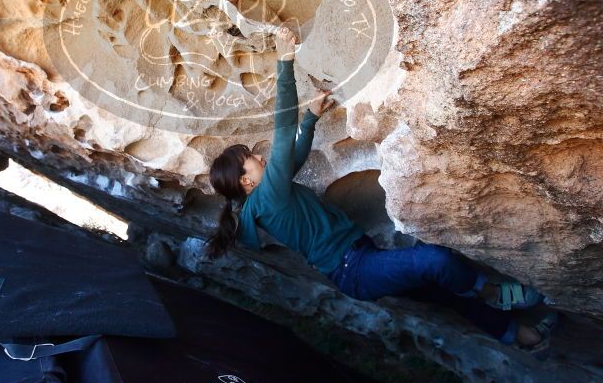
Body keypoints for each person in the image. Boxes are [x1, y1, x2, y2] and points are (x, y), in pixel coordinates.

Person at [207, 27, 557, 357]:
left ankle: (522, 338)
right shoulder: (268, 198)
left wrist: (312, 119)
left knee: (445, 292)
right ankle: (492, 292)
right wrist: (285, 60)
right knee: (436, 260)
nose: (257, 156)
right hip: (357, 270)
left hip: (359, 261)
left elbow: (294, 154)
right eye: (249, 160)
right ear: (245, 182)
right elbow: (284, 134)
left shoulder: (267, 197)